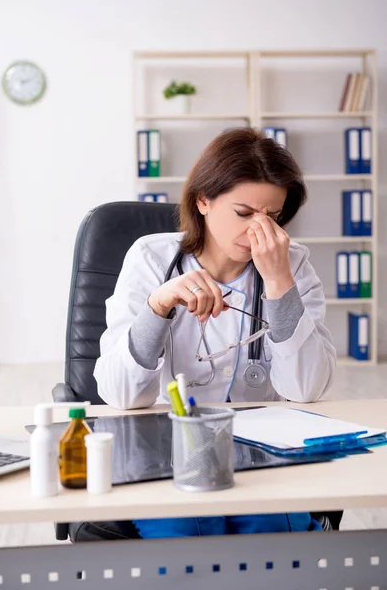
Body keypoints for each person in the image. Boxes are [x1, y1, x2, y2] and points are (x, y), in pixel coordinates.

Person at [93, 127, 337, 539]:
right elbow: (119, 394)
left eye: (273, 217)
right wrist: (158, 306)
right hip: (168, 449)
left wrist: (278, 282)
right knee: (185, 528)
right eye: (244, 214)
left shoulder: (292, 265)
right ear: (203, 200)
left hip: (263, 450)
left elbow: (307, 389)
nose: (259, 231)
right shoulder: (151, 259)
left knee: (268, 530)